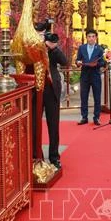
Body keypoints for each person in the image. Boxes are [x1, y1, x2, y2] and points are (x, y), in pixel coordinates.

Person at [40, 32, 68, 169]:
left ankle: (54, 156)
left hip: (51, 90)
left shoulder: (54, 51)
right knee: (35, 125)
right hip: (36, 90)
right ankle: (36, 156)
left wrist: (54, 48)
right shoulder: (34, 47)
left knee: (53, 125)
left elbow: (65, 62)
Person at [75, 29, 105, 125]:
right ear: (86, 38)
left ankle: (96, 117)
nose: (91, 38)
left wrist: (97, 64)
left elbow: (103, 62)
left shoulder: (99, 49)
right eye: (89, 36)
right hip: (85, 75)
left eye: (93, 36)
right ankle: (84, 117)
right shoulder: (82, 48)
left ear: (96, 38)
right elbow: (78, 60)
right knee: (84, 96)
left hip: (95, 75)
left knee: (97, 97)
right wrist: (78, 63)